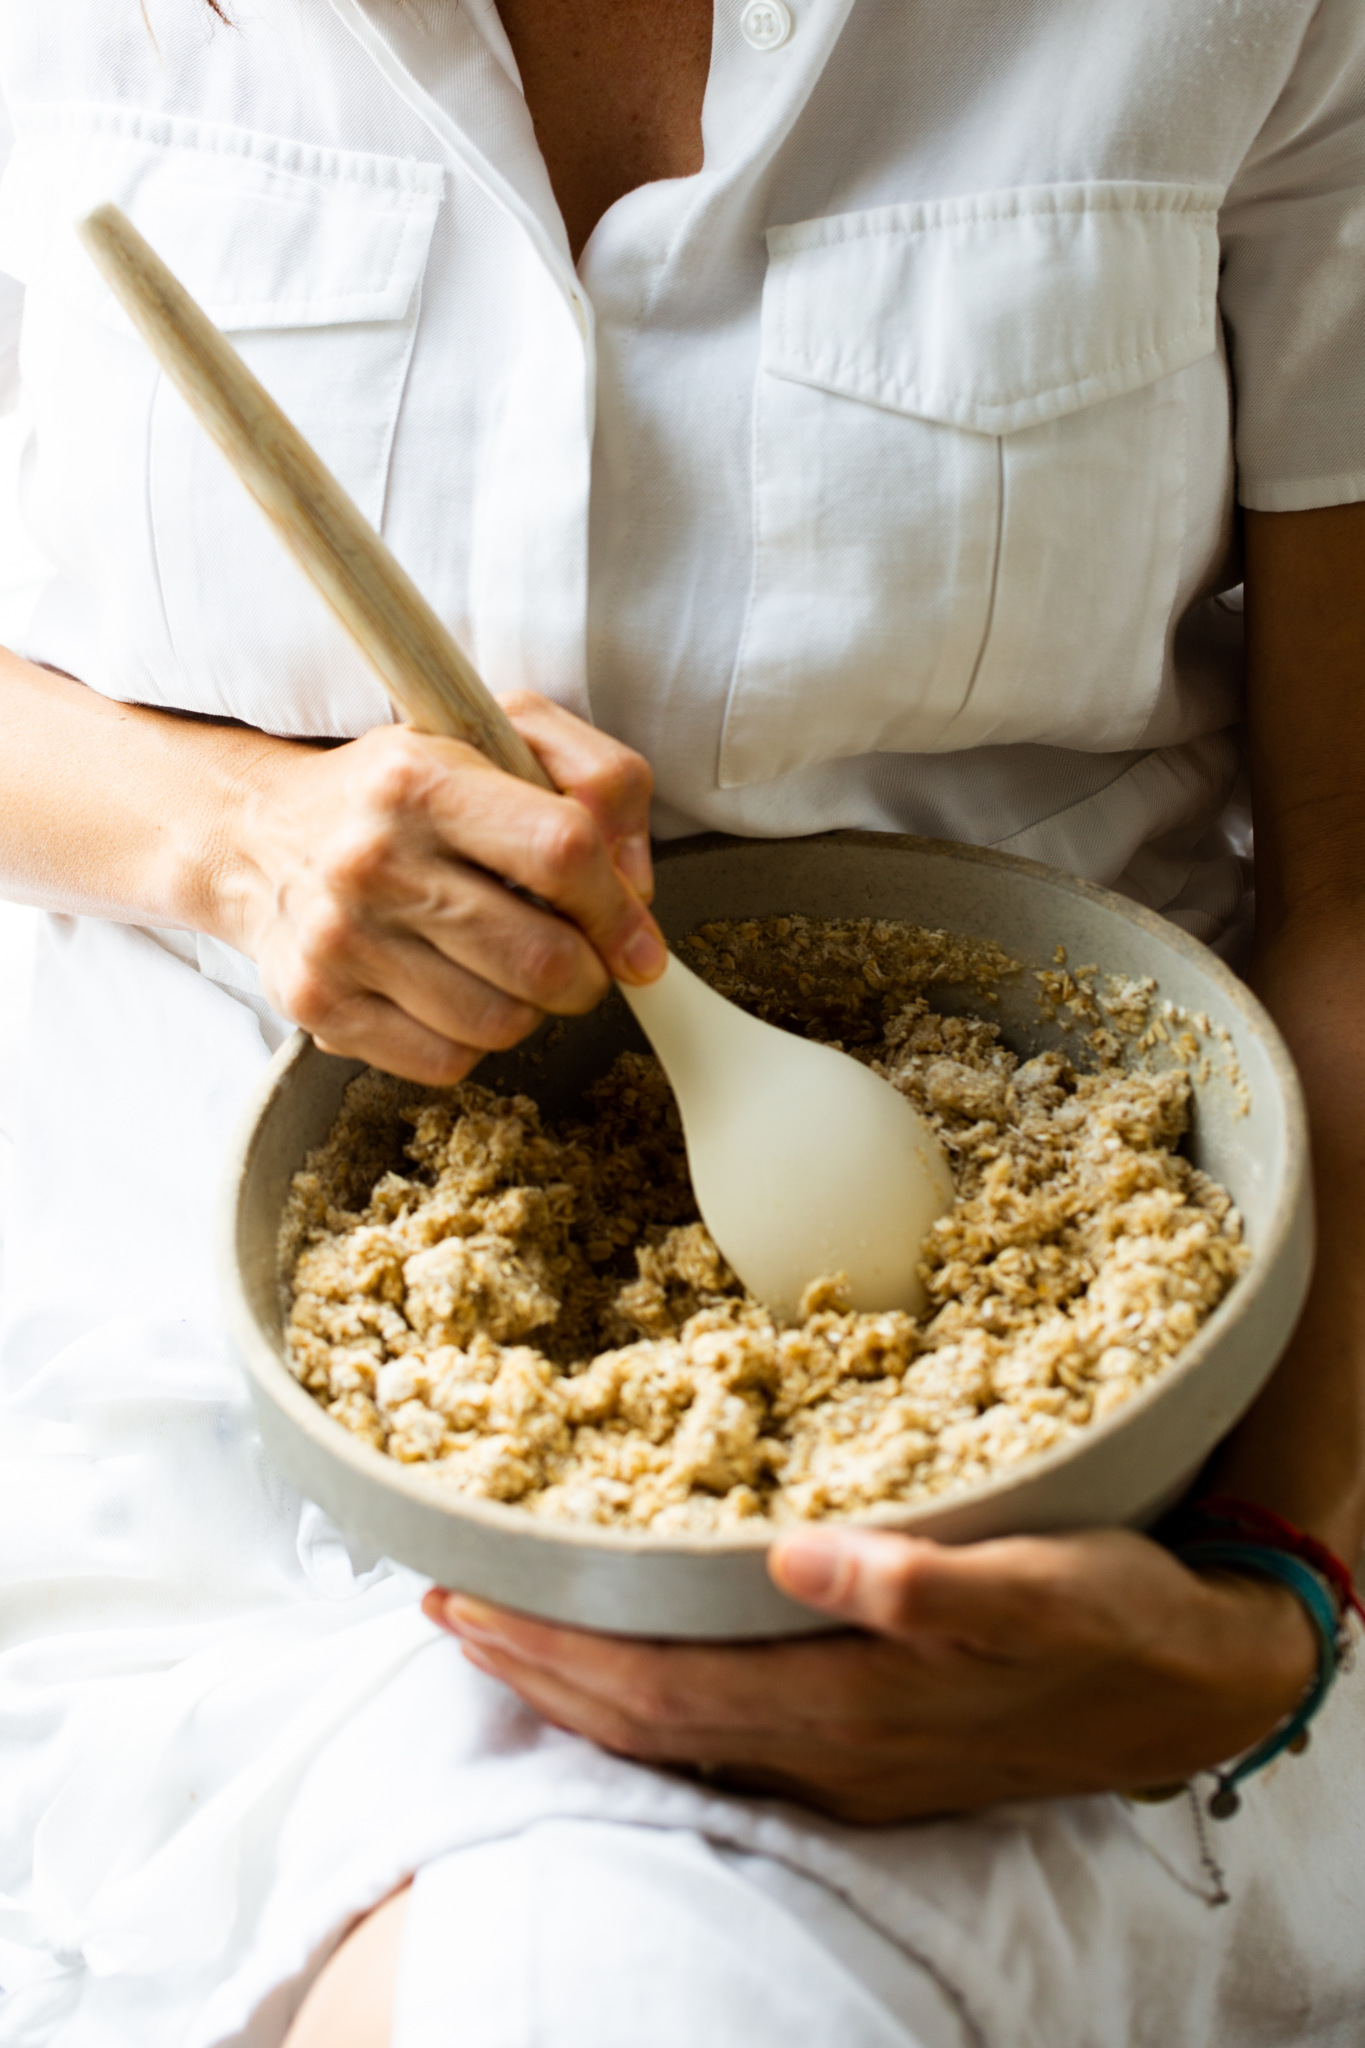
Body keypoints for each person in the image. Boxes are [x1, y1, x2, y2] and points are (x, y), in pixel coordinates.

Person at [0, 1, 1363, 2042]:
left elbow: (1353, 881)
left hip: (1101, 1463)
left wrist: (1272, 1595)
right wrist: (237, 833)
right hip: (158, 1368)